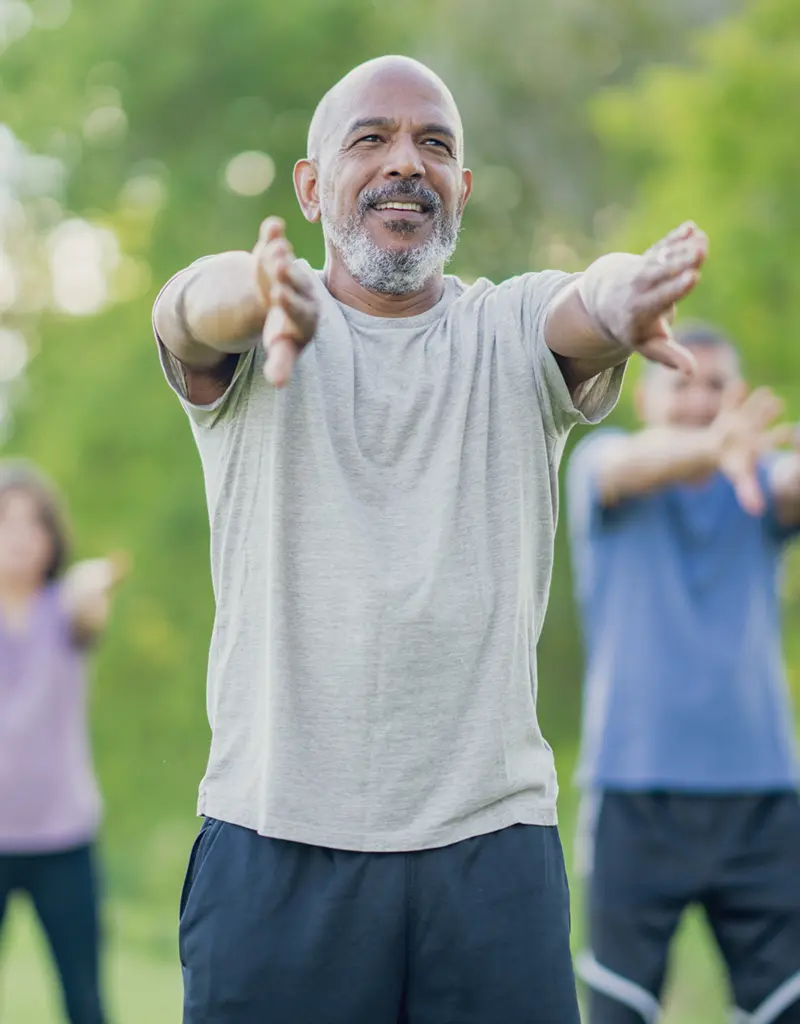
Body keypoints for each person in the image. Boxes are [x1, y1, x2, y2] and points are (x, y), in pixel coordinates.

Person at [153, 53, 712, 1024]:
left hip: (488, 855)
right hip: (274, 846)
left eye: (434, 145)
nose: (405, 162)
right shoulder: (255, 332)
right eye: (370, 139)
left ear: (462, 187)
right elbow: (187, 311)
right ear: (312, 183)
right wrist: (254, 293)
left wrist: (626, 296)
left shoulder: (506, 328)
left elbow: (588, 297)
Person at [567, 323, 800, 1024]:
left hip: (761, 797)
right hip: (636, 796)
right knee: (619, 1010)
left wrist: (751, 459)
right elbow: (628, 470)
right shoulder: (603, 463)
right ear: (645, 396)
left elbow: (789, 482)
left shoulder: (757, 482)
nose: (700, 402)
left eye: (716, 387)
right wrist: (714, 449)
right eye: (681, 383)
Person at [0, 460, 126, 1024]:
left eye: (35, 524)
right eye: (8, 521)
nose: (22, 537)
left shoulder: (65, 610)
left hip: (64, 840)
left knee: (86, 1003)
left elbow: (89, 600)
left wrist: (95, 582)